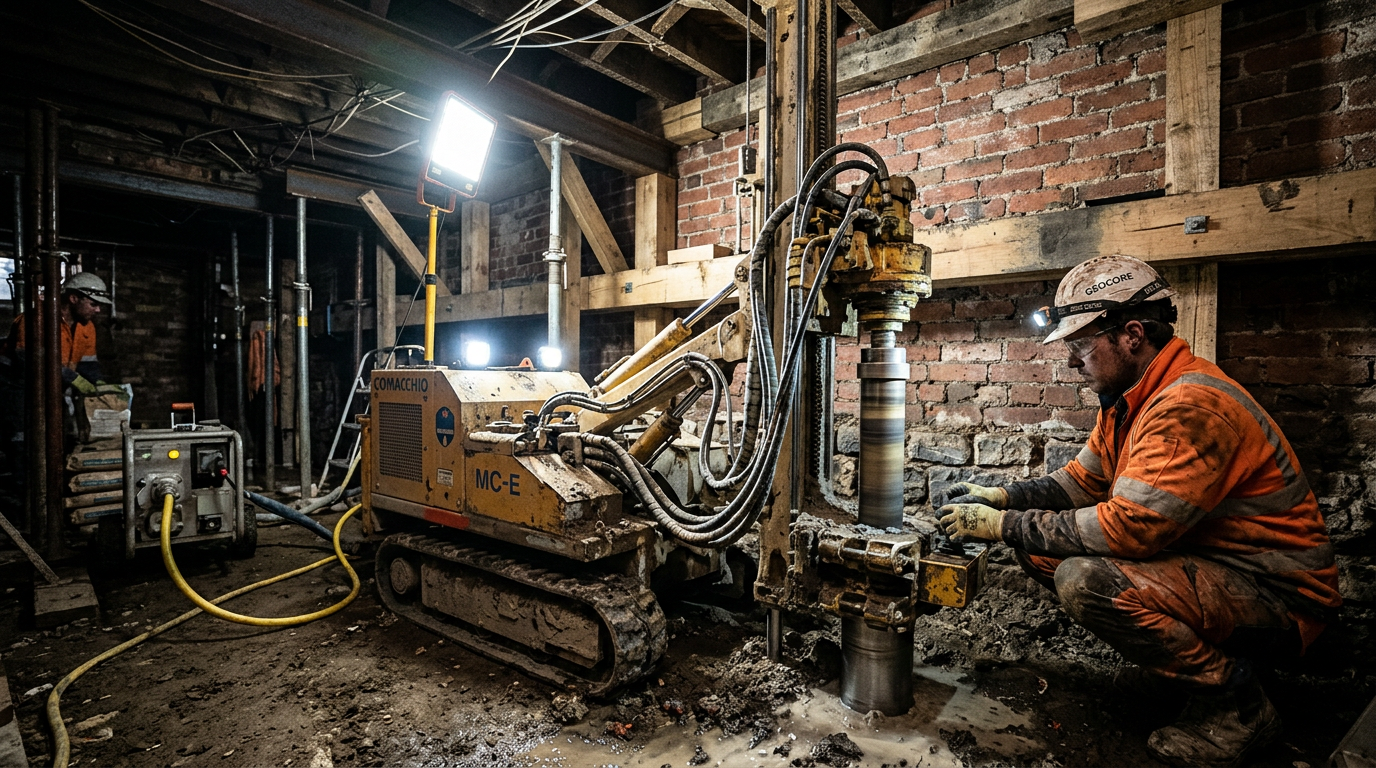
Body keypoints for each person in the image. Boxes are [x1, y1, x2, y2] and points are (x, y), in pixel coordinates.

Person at [936, 254, 1339, 768]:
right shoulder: (1130, 399)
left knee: (1084, 579)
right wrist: (1005, 498)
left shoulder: (1188, 407)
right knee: (1039, 553)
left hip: (1278, 597)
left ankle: (1237, 708)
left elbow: (1130, 530)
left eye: (1081, 345)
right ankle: (1171, 669)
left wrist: (1004, 526)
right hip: (1211, 568)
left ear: (1131, 334)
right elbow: (1082, 482)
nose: (1072, 361)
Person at [3, 270, 112, 392]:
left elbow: (87, 363)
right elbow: (27, 358)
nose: (98, 310)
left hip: (53, 386)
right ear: (74, 298)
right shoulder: (37, 319)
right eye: (93, 304)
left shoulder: (87, 326)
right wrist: (71, 377)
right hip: (16, 385)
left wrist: (98, 381)